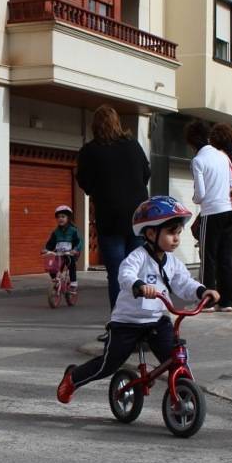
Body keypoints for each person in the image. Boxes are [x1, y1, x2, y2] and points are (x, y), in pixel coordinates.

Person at [56, 195, 218, 403]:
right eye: (171, 232)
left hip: (157, 320)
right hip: (127, 322)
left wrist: (202, 291)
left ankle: (184, 396)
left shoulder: (173, 263)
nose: (176, 238)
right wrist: (138, 285)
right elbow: (125, 274)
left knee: (175, 359)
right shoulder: (138, 256)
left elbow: (184, 283)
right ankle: (73, 378)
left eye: (178, 232)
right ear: (151, 233)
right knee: (109, 364)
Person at [76, 105, 151, 312]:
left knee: (117, 272)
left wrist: (99, 191)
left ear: (95, 126)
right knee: (136, 270)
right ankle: (139, 315)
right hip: (137, 218)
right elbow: (147, 173)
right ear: (118, 123)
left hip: (109, 218)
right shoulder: (133, 145)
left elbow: (83, 181)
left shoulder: (90, 151)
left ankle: (120, 320)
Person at [196, 122, 232, 311]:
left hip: (211, 211)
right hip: (230, 210)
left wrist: (195, 198)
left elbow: (199, 195)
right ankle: (227, 301)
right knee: (227, 256)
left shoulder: (199, 160)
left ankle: (208, 300)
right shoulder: (225, 158)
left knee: (208, 257)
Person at [44, 205, 82, 292]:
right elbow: (50, 243)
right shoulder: (55, 232)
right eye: (58, 217)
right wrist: (46, 249)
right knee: (52, 267)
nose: (60, 219)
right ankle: (56, 281)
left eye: (63, 216)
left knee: (71, 264)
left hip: (70, 254)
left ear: (68, 218)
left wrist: (75, 250)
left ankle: (73, 283)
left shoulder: (73, 230)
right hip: (59, 254)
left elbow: (79, 241)